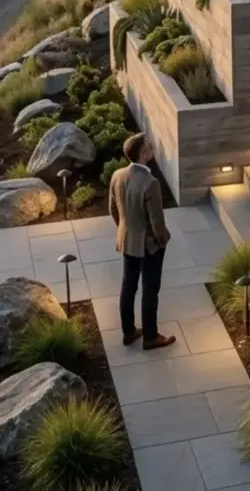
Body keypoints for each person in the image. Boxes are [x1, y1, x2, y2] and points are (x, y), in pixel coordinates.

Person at [108, 133, 176, 350]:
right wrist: (163, 240)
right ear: (142, 154)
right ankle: (150, 336)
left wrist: (124, 229)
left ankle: (128, 332)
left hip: (127, 239)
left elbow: (112, 208)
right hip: (148, 245)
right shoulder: (150, 183)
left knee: (128, 286)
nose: (152, 147)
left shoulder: (117, 176)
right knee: (150, 288)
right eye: (148, 146)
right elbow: (157, 221)